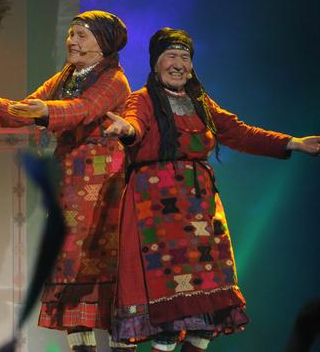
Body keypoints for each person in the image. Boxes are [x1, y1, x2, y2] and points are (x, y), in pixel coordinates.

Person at [104, 28, 320, 352]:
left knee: (208, 312)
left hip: (200, 213)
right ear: (156, 62)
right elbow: (135, 122)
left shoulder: (200, 103)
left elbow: (239, 133)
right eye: (171, 56)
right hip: (156, 212)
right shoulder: (144, 99)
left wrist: (293, 142)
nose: (179, 64)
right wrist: (127, 130)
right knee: (169, 315)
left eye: (185, 57)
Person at [0, 10, 136, 352]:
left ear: (103, 43)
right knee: (69, 263)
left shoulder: (114, 80)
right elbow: (25, 108)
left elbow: (81, 109)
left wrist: (45, 112)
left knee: (106, 267)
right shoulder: (66, 77)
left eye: (81, 35)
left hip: (104, 187)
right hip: (69, 184)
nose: (72, 41)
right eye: (71, 34)